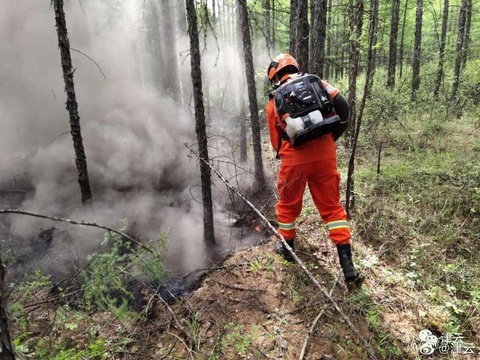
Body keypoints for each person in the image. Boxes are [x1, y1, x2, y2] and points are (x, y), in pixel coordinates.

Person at [265, 53, 362, 288]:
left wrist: (288, 153)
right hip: (326, 155)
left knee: (288, 205)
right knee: (332, 208)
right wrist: (331, 139)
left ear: (274, 76)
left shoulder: (274, 100)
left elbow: (276, 142)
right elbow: (344, 109)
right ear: (295, 67)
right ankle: (347, 265)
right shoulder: (318, 83)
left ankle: (287, 249)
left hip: (295, 161)